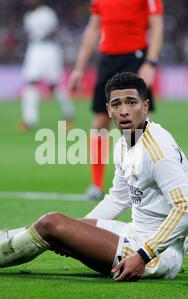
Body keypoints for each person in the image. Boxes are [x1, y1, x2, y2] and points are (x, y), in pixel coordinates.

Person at [0, 73, 188, 281]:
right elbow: (118, 198)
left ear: (146, 105)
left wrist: (142, 255)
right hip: (136, 235)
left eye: (131, 102)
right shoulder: (126, 141)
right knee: (53, 228)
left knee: (51, 224)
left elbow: (186, 208)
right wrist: (79, 232)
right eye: (117, 104)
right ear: (108, 111)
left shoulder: (157, 148)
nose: (124, 110)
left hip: (156, 256)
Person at [68, 0, 164, 200]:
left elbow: (156, 25)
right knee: (100, 123)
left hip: (136, 57)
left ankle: (143, 182)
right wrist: (79, 68)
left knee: (139, 125)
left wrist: (151, 62)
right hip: (107, 60)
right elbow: (93, 28)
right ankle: (96, 184)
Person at [17, 0, 75, 132]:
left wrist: (42, 35)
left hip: (49, 49)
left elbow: (53, 31)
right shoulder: (28, 16)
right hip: (34, 48)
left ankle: (69, 114)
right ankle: (29, 120)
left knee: (54, 85)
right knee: (31, 83)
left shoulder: (47, 13)